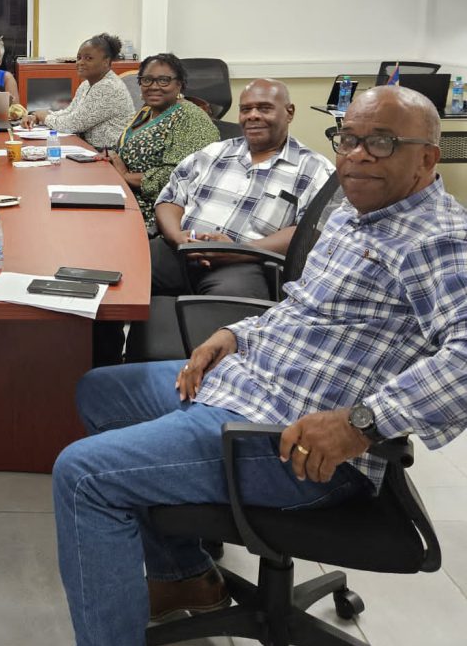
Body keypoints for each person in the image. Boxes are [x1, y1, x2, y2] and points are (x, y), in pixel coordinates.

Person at [53, 85, 467, 645]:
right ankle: (185, 578)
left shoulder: (438, 238)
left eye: (383, 142)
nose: (359, 154)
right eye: (349, 139)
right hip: (248, 383)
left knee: (83, 476)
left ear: (427, 157)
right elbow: (303, 306)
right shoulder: (355, 213)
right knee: (97, 391)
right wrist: (233, 333)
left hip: (294, 441)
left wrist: (362, 424)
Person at [150, 78, 334, 300]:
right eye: (246, 109)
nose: (253, 115)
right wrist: (176, 236)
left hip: (246, 264)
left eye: (264, 108)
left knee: (226, 309)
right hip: (180, 250)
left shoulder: (315, 169)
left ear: (289, 112)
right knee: (115, 272)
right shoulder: (213, 153)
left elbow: (310, 232)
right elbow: (170, 199)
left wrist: (239, 250)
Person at [111, 53, 220, 227]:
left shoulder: (190, 118)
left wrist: (125, 176)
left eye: (164, 80)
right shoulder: (146, 112)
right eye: (147, 80)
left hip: (155, 212)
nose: (154, 86)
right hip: (124, 193)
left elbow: (177, 178)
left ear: (180, 84)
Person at [21, 33, 135, 150]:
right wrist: (36, 116)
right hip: (89, 148)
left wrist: (44, 117)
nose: (80, 62)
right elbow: (70, 112)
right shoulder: (87, 84)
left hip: (109, 153)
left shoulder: (108, 86)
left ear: (106, 62)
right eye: (79, 57)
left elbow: (73, 124)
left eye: (88, 58)